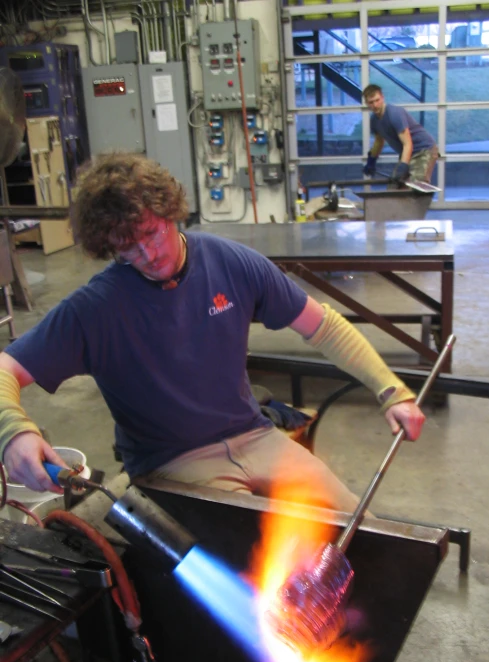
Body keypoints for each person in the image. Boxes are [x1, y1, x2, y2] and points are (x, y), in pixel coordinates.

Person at [0, 152, 425, 514]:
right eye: (126, 246)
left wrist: (390, 389)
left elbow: (324, 327)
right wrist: (14, 433)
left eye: (150, 233)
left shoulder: (230, 263)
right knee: (250, 557)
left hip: (254, 434)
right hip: (171, 462)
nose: (147, 254)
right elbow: (5, 369)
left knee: (359, 527)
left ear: (170, 212)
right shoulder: (95, 308)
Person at [362, 84, 438, 184]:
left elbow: (407, 143)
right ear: (366, 103)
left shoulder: (394, 113)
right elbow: (379, 141)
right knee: (394, 185)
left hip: (424, 150)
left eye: (377, 100)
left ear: (383, 98)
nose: (375, 105)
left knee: (418, 186)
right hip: (407, 153)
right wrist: (371, 161)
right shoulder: (374, 120)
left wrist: (403, 165)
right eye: (371, 102)